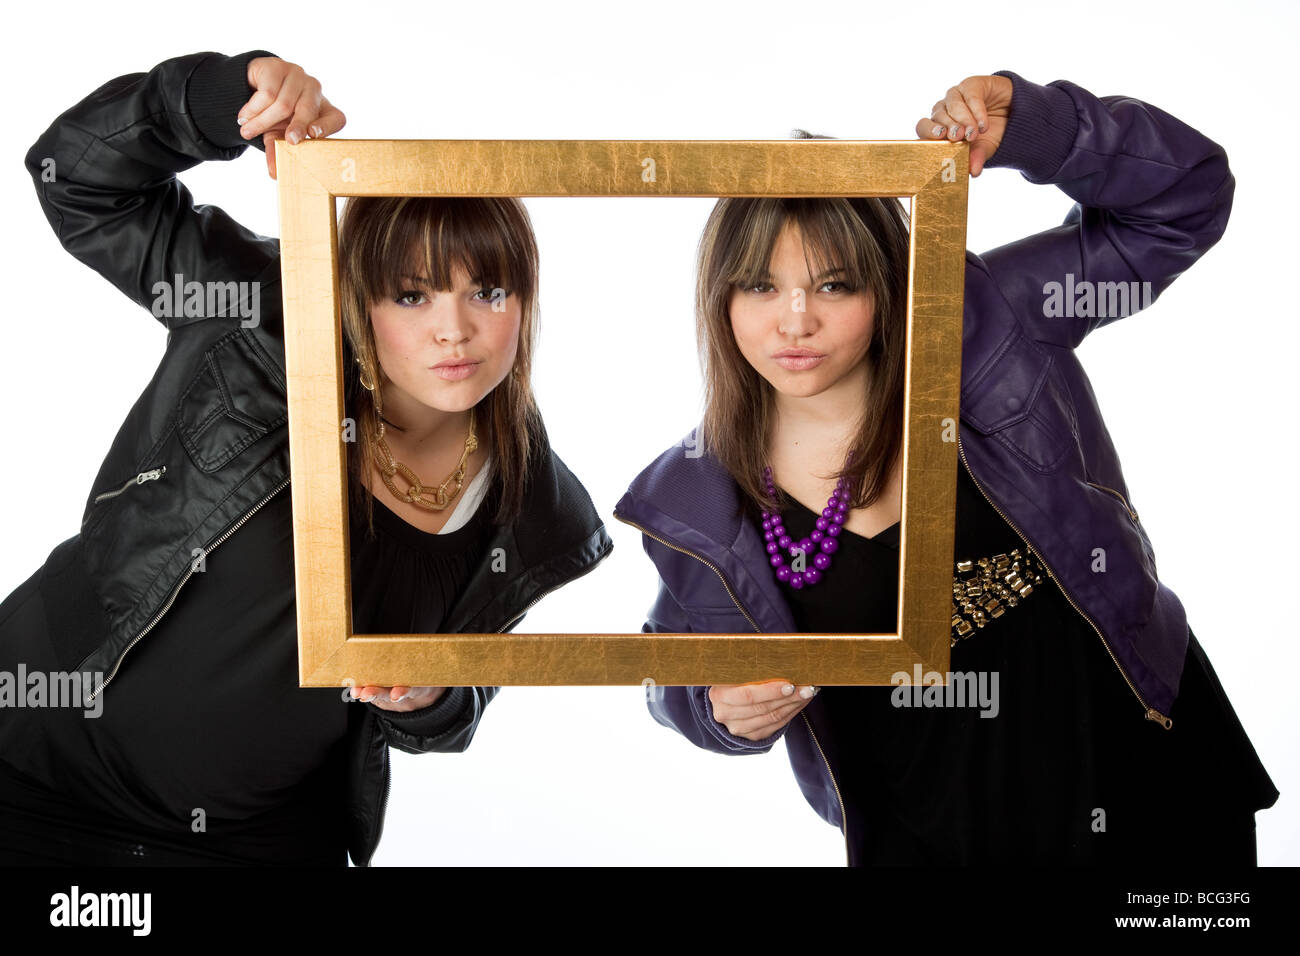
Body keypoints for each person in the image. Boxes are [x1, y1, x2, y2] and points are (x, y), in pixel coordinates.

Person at [614, 71, 1279, 865]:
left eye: (835, 283)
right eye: (761, 286)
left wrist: (1041, 130)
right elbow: (669, 677)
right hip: (920, 834)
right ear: (720, 300)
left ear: (888, 284)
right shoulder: (694, 498)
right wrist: (716, 709)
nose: (797, 319)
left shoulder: (992, 324)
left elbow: (1184, 204)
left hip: (1146, 794)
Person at [0, 49, 612, 867]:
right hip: (39, 769)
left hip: (264, 838)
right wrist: (226, 100)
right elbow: (73, 177)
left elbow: (456, 704)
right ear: (360, 294)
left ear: (525, 304)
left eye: (489, 292)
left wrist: (428, 696)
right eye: (412, 293)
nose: (454, 330)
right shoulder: (260, 313)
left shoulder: (537, 507)